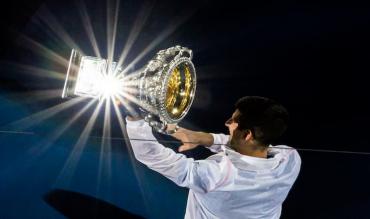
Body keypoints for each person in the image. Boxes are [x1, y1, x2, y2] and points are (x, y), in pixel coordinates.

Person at [126, 96, 301, 219]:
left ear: (247, 134)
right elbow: (247, 147)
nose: (227, 123)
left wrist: (136, 119)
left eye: (233, 121)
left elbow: (150, 155)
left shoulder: (217, 174)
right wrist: (203, 138)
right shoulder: (290, 160)